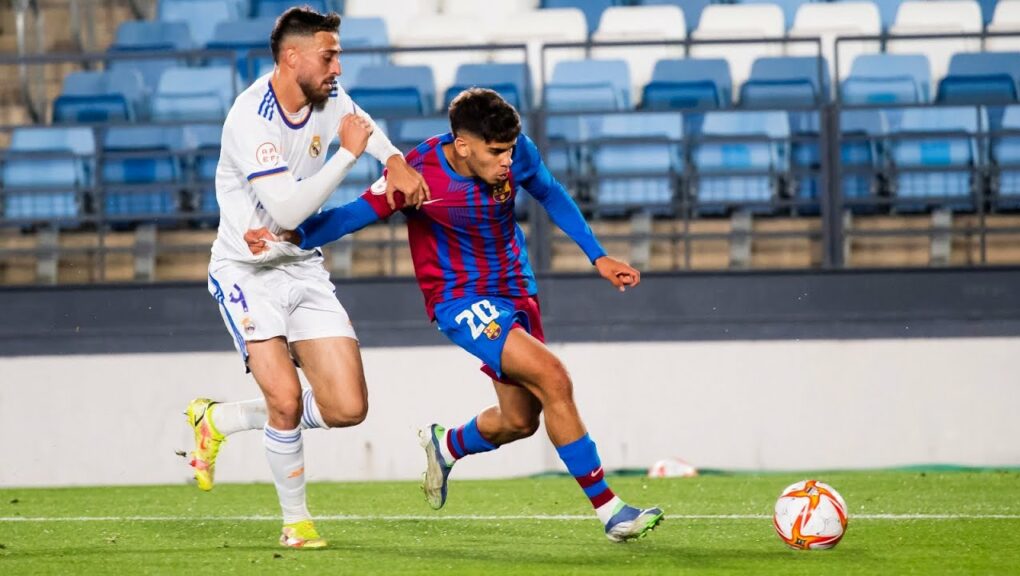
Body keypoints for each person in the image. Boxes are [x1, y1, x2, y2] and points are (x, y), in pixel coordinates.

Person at [246, 88, 664, 542]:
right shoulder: (416, 175)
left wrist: (597, 256)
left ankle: (446, 446)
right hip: (459, 298)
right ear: (462, 145)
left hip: (516, 290)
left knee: (521, 421)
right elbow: (351, 216)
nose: (507, 161)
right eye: (496, 151)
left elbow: (550, 192)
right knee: (554, 376)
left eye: (509, 150)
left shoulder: (516, 150)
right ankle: (611, 511)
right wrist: (290, 236)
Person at [185, 6, 429, 549]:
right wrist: (349, 156)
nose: (337, 65)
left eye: (338, 53)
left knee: (347, 407)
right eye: (329, 54)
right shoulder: (251, 118)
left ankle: (219, 419)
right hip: (246, 272)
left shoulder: (328, 96)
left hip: (298, 266)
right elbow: (291, 212)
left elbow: (365, 126)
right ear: (291, 57)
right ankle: (296, 523)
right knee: (289, 402)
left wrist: (396, 162)